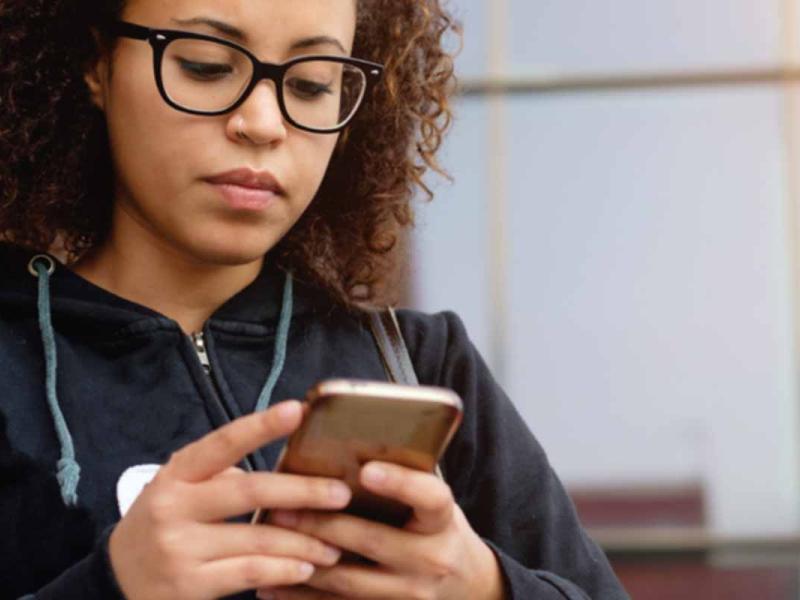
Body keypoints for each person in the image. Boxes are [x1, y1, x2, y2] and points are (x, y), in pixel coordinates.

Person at [0, 1, 629, 598]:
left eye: (311, 85)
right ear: (95, 65)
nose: (263, 124)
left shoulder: (422, 364)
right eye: (206, 67)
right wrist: (110, 586)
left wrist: (479, 585)